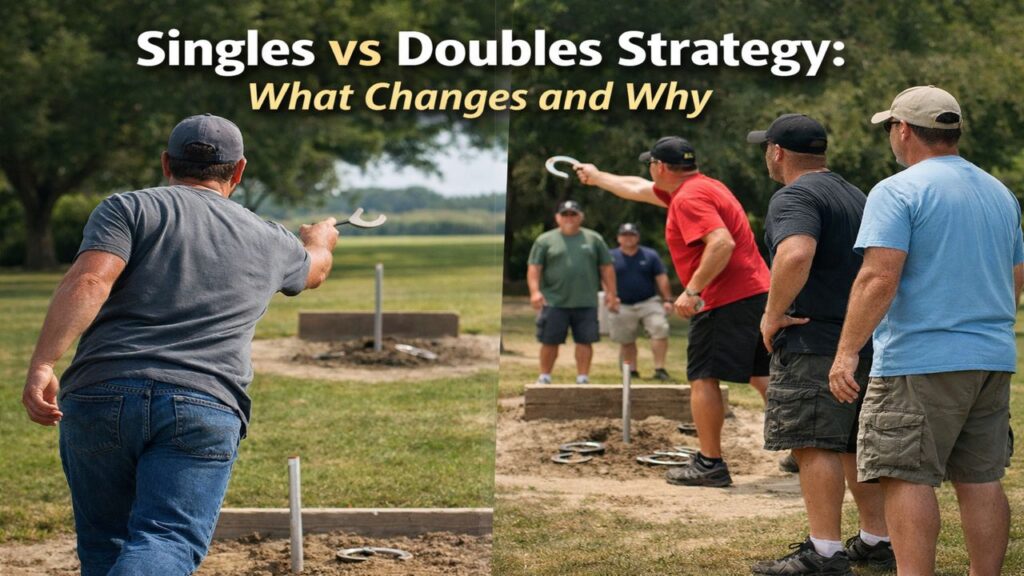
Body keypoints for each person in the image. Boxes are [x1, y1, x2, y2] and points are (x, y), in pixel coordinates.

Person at [21, 114, 339, 576]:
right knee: (165, 539)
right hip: (203, 404)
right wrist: (319, 239)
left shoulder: (127, 209)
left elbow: (90, 279)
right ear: (239, 170)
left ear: (167, 163)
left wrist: (43, 363)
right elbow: (316, 270)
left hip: (98, 394)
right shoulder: (272, 239)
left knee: (103, 543)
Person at [829, 86, 1023, 576]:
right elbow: (1015, 277)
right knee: (980, 480)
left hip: (920, 359)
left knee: (904, 476)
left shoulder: (897, 189)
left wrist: (847, 351)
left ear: (903, 130)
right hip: (992, 357)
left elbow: (879, 275)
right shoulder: (999, 192)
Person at [575, 137, 770, 487]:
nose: (648, 172)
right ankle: (804, 449)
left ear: (660, 167)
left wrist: (692, 290)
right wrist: (597, 175)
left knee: (703, 376)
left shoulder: (689, 198)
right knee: (761, 374)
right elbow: (635, 188)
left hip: (725, 298)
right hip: (756, 292)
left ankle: (710, 463)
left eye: (650, 165)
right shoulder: (702, 186)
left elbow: (721, 242)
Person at [746, 114, 891, 575]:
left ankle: (824, 552)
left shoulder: (795, 195)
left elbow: (795, 252)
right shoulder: (856, 195)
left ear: (777, 152)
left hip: (814, 340)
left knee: (814, 444)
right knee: (854, 445)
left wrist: (771, 314)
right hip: (860, 339)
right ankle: (876, 540)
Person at [527, 200, 618, 384]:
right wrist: (535, 292)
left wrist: (611, 293)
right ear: (557, 218)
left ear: (581, 217)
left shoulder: (594, 239)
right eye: (565, 214)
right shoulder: (544, 240)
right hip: (554, 301)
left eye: (573, 214)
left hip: (586, 301)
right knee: (549, 340)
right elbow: (534, 268)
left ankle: (583, 377)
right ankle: (545, 376)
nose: (569, 218)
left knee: (585, 341)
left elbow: (606, 268)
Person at [607, 222, 674, 381]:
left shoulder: (650, 255)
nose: (628, 238)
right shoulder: (610, 256)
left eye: (632, 235)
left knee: (659, 327)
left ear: (637, 237)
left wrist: (667, 299)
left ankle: (660, 368)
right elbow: (605, 278)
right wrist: (610, 296)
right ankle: (631, 370)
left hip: (648, 301)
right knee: (626, 339)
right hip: (621, 303)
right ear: (618, 238)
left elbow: (661, 277)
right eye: (625, 235)